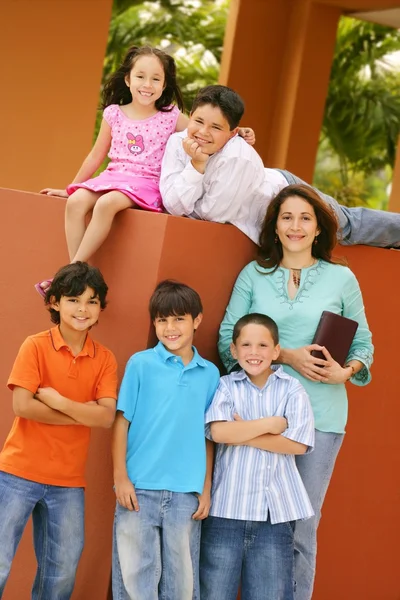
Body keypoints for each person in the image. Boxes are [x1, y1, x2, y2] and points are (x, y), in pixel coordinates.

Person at [218, 184, 374, 600]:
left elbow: (364, 347)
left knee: (302, 525)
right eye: (287, 217)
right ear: (274, 225)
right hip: (258, 415)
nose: (296, 226)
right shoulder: (254, 275)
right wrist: (285, 355)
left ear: (319, 228)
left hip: (322, 415)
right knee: (252, 521)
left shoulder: (342, 278)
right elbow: (225, 340)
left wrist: (346, 372)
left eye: (305, 217)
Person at [36, 52, 254, 297]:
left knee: (106, 204)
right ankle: (78, 273)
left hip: (146, 183)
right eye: (140, 76)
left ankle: (69, 276)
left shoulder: (170, 116)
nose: (147, 84)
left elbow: (203, 129)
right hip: (113, 175)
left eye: (156, 79)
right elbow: (96, 156)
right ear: (128, 80)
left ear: (164, 85)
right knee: (76, 202)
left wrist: (239, 131)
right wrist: (70, 188)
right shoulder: (113, 113)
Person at [0, 262, 118, 599]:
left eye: (92, 301)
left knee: (62, 571)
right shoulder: (35, 346)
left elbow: (106, 417)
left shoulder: (105, 359)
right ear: (54, 302)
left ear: (100, 308)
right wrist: (84, 414)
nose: (83, 309)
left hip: (68, 482)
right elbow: (23, 406)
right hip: (17, 472)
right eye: (73, 300)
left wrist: (58, 401)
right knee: (0, 564)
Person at [160, 84, 400, 249]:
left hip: (285, 193)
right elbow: (172, 204)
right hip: (267, 223)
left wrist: (194, 169)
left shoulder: (238, 156)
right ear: (190, 115)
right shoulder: (177, 142)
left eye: (215, 127)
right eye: (199, 121)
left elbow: (211, 215)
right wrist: (196, 168)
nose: (202, 132)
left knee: (346, 226)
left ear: (233, 133)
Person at [112, 280, 220, 600]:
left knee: (182, 586)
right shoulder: (140, 364)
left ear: (197, 320)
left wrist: (205, 487)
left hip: (186, 493)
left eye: (178, 319)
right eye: (161, 320)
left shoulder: (210, 374)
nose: (169, 328)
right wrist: (121, 478)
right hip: (138, 488)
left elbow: (209, 435)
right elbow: (121, 422)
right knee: (134, 581)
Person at [200, 313, 315, 600]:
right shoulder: (227, 386)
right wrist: (269, 425)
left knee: (270, 593)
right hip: (226, 510)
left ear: (276, 351)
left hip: (273, 515)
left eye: (263, 345)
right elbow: (218, 432)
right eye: (246, 345)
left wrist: (243, 431)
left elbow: (298, 444)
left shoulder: (292, 389)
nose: (254, 352)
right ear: (234, 350)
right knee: (214, 592)